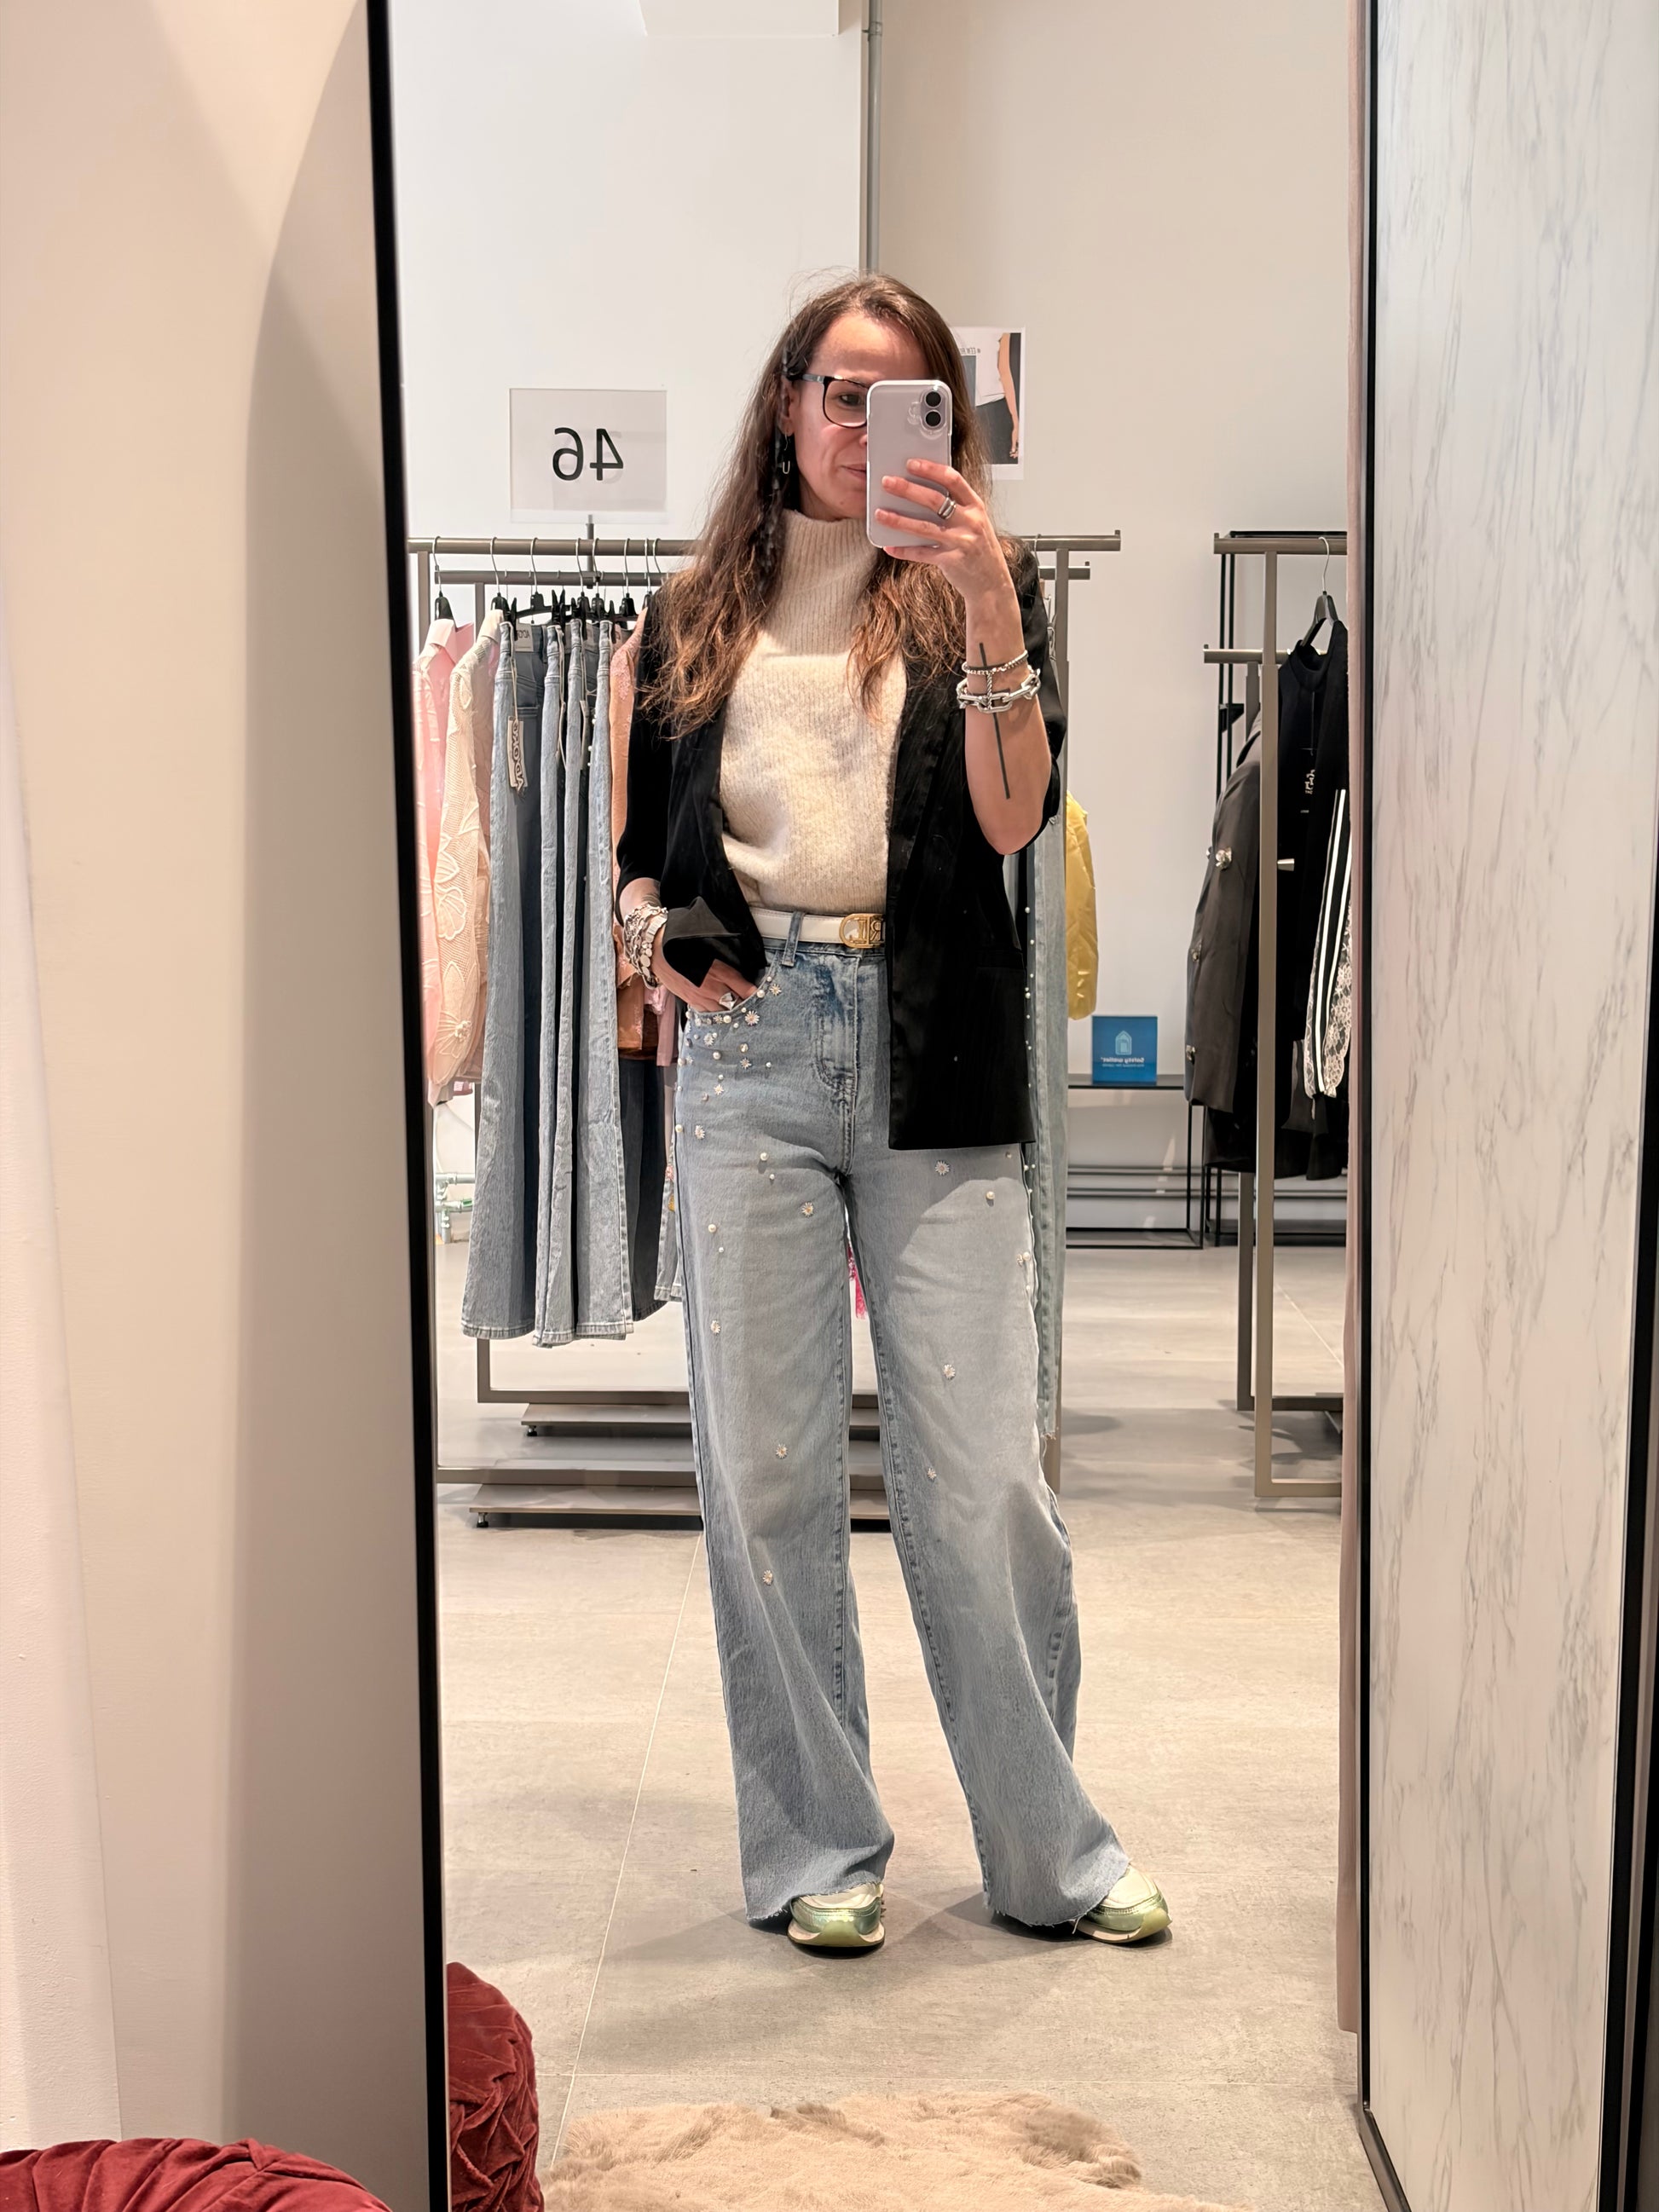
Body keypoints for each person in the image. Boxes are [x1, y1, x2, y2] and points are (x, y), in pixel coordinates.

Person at [616, 273, 1166, 1955]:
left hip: (934, 1046)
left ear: (948, 421)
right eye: (838, 392)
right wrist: (653, 935)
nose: (863, 426)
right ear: (785, 404)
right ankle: (814, 1845)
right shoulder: (688, 615)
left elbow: (1011, 825)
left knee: (986, 1473)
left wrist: (987, 597)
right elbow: (635, 861)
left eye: (901, 394)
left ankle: (1048, 1851)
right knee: (770, 1473)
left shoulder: (965, 599)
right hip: (752, 1056)